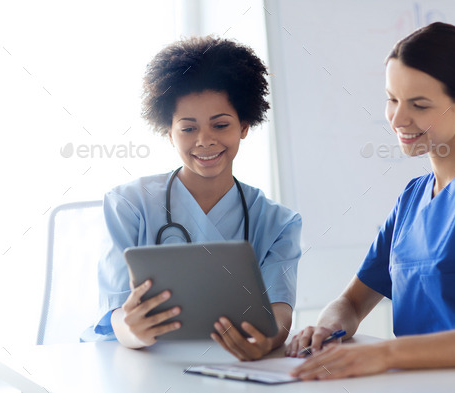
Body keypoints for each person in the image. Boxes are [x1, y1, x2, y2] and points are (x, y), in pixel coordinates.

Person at [286, 22, 455, 379]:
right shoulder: (412, 197)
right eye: (392, 99)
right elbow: (350, 302)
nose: (397, 119)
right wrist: (326, 330)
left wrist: (386, 353)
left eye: (419, 105)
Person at [82, 36, 302, 361]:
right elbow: (116, 313)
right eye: (188, 129)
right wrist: (132, 331)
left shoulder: (278, 223)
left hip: (237, 371)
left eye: (221, 124)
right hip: (143, 368)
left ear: (244, 125)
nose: (205, 141)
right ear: (168, 132)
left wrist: (268, 341)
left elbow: (279, 312)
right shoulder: (128, 205)